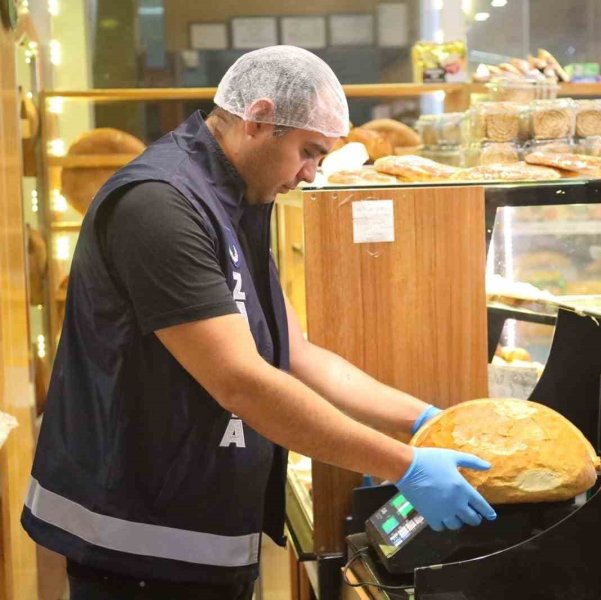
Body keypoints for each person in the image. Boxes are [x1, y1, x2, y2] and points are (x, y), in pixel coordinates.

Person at [21, 46, 496, 599]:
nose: (310, 173)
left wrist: (423, 420)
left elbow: (298, 353)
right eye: (308, 151)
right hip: (137, 542)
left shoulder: (231, 201)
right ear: (259, 118)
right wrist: (405, 465)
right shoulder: (160, 206)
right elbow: (241, 382)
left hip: (196, 533)